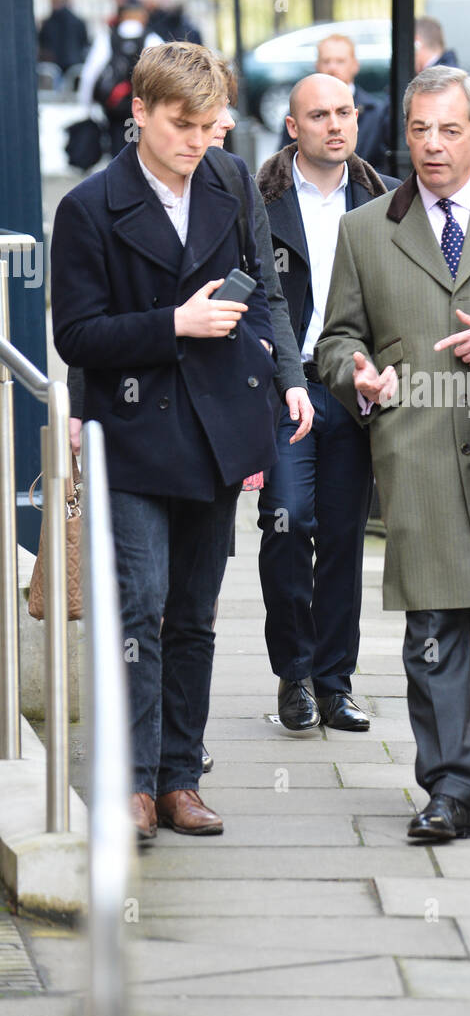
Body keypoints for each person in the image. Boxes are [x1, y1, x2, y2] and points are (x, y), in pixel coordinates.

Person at [317, 66, 470, 843]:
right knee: (434, 624)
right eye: (420, 129)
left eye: (449, 130)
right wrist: (354, 373)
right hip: (415, 449)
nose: (431, 145)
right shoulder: (364, 231)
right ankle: (448, 787)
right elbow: (336, 337)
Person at [51, 41, 281, 844]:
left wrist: (275, 367)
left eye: (212, 127)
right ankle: (132, 784)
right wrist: (174, 324)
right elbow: (77, 335)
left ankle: (181, 778)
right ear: (139, 113)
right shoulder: (88, 207)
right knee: (137, 609)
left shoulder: (226, 177)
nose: (199, 141)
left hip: (219, 425)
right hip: (135, 432)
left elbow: (263, 285)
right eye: (183, 125)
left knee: (195, 613)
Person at [255, 74, 399, 734]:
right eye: (319, 115)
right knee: (288, 518)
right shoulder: (257, 200)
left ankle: (336, 683)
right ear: (293, 127)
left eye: (345, 112)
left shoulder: (385, 201)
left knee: (343, 536)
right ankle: (294, 674)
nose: (336, 125)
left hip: (355, 387)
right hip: (286, 385)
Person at [278, 34, 388, 172]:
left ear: (355, 65)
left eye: (340, 61)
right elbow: (284, 161)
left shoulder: (377, 112)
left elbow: (385, 164)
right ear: (317, 65)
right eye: (326, 61)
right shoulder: (299, 112)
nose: (332, 68)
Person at [78, 2, 162, 158]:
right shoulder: (151, 38)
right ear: (143, 17)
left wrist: (86, 102)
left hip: (114, 104)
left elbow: (90, 72)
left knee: (116, 142)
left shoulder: (108, 37)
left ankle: (120, 172)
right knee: (140, 142)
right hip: (142, 103)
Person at [38, 0, 90, 76]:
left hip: (53, 65)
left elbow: (43, 43)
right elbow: (85, 42)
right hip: (74, 63)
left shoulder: (48, 23)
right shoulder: (78, 22)